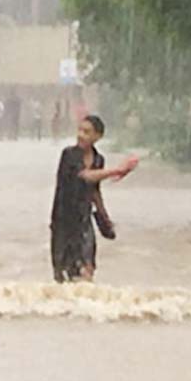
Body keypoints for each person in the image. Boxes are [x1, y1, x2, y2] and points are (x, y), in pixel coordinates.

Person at [50, 115, 138, 283]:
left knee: (87, 267)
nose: (81, 135)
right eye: (80, 130)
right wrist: (117, 170)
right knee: (63, 273)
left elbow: (94, 191)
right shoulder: (69, 155)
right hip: (63, 221)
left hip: (84, 221)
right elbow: (85, 176)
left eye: (87, 132)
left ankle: (89, 306)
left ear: (97, 137)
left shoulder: (98, 159)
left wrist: (104, 217)